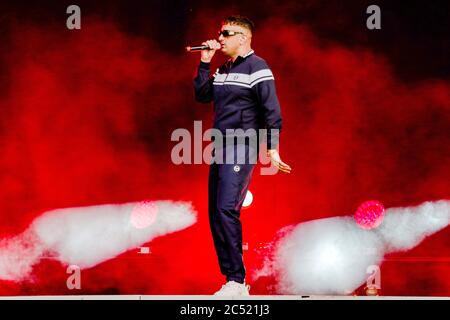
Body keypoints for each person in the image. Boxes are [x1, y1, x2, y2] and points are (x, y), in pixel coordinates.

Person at [193, 15, 291, 296]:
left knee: (226, 208)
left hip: (243, 144)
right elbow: (202, 95)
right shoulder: (223, 69)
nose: (220, 37)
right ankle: (230, 279)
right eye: (219, 32)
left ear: (244, 37)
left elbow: (272, 109)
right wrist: (204, 62)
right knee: (215, 212)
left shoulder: (257, 67)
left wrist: (272, 148)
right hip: (221, 147)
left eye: (226, 33)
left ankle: (237, 280)